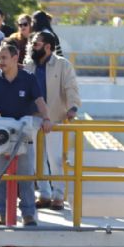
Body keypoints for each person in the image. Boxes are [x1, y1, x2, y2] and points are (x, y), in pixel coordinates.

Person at [0, 43, 53, 226]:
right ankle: (1, 213)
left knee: (25, 176)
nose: (0, 61)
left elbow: (39, 100)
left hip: (22, 133)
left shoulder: (28, 78)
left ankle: (28, 214)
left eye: (4, 57)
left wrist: (47, 118)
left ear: (15, 57)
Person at [25, 31, 81, 211]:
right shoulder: (28, 65)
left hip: (55, 119)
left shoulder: (63, 65)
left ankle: (58, 196)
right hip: (34, 118)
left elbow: (70, 87)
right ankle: (44, 195)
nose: (32, 47)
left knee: (55, 159)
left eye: (36, 44)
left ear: (48, 47)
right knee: (37, 160)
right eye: (32, 43)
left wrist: (73, 107)